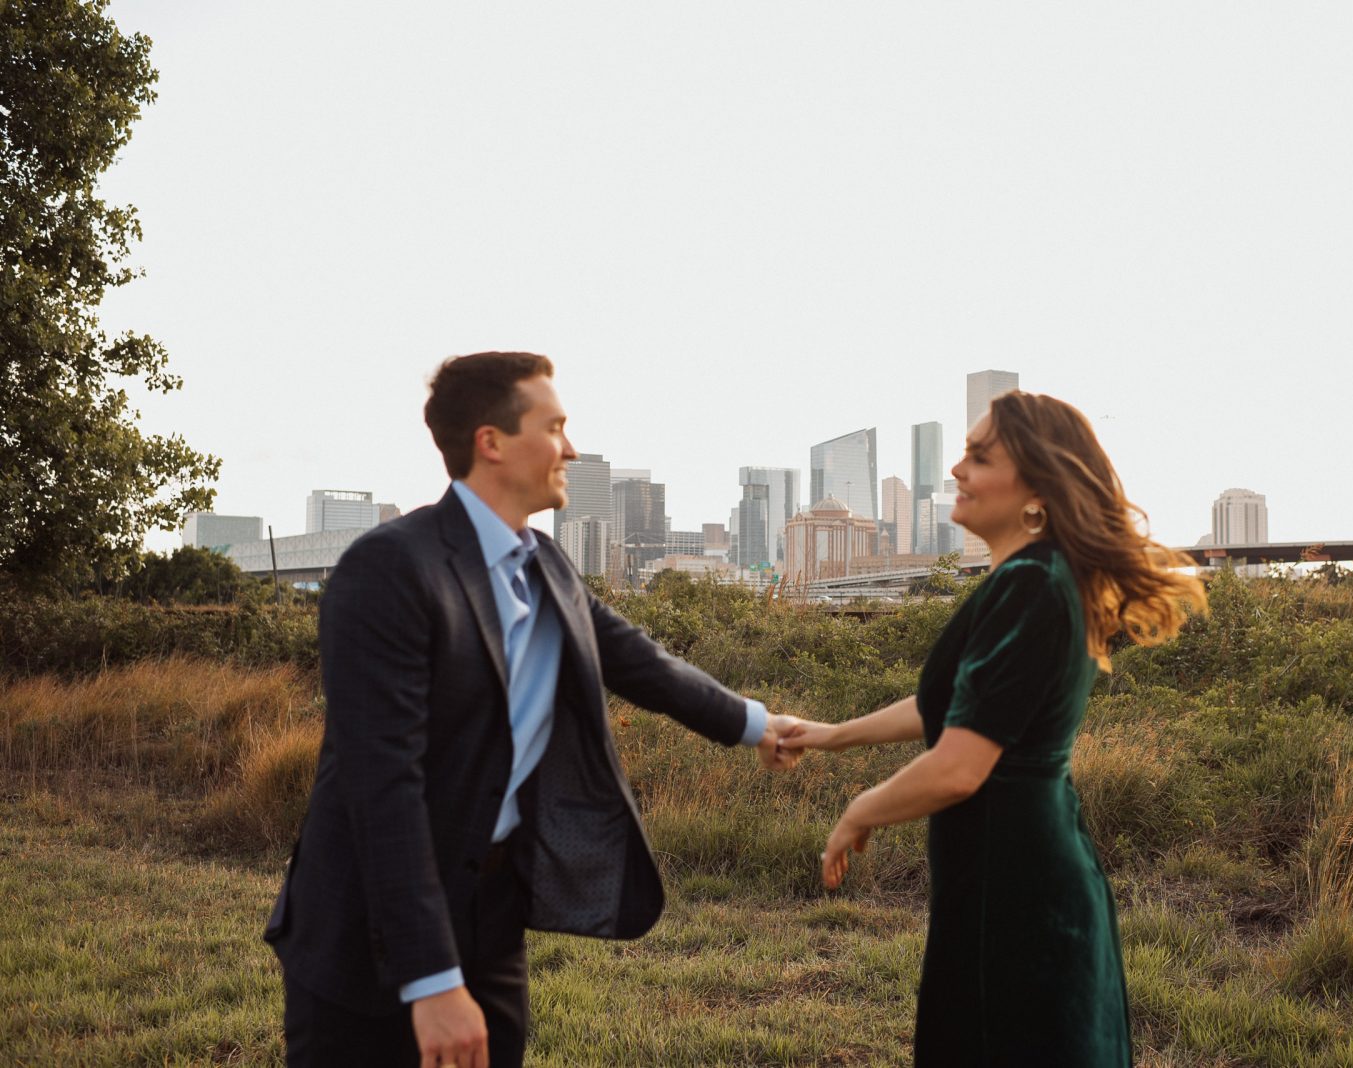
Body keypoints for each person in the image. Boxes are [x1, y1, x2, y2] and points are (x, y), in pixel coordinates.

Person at [264, 351, 798, 1068]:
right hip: (370, 928)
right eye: (555, 426)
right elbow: (383, 787)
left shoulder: (544, 562)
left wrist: (759, 726)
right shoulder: (390, 568)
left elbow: (640, 663)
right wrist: (431, 981)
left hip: (493, 912)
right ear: (492, 442)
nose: (572, 448)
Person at [779, 391, 1205, 1066]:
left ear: (1038, 485)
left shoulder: (1034, 584)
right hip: (1011, 867)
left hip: (1017, 885)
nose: (956, 470)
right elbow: (955, 706)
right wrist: (830, 734)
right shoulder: (1033, 578)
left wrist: (861, 809)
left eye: (979, 457)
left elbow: (958, 765)